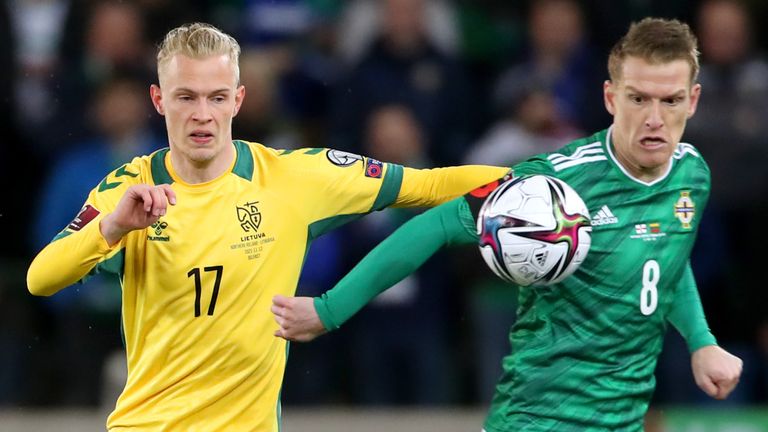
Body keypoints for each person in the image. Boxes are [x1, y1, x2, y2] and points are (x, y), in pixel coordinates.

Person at [26, 23, 508, 430]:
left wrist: (556, 172)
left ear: (238, 99)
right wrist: (112, 227)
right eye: (185, 97)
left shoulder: (292, 178)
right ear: (158, 99)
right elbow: (40, 278)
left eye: (216, 98)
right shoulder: (129, 188)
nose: (202, 115)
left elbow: (430, 184)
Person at [271, 17, 744, 431]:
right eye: (638, 98)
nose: (654, 119)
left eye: (670, 100)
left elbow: (666, 256)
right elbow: (433, 226)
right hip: (536, 420)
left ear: (694, 100)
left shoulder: (690, 173)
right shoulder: (553, 184)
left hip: (623, 421)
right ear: (610, 97)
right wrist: (330, 309)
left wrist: (702, 342)